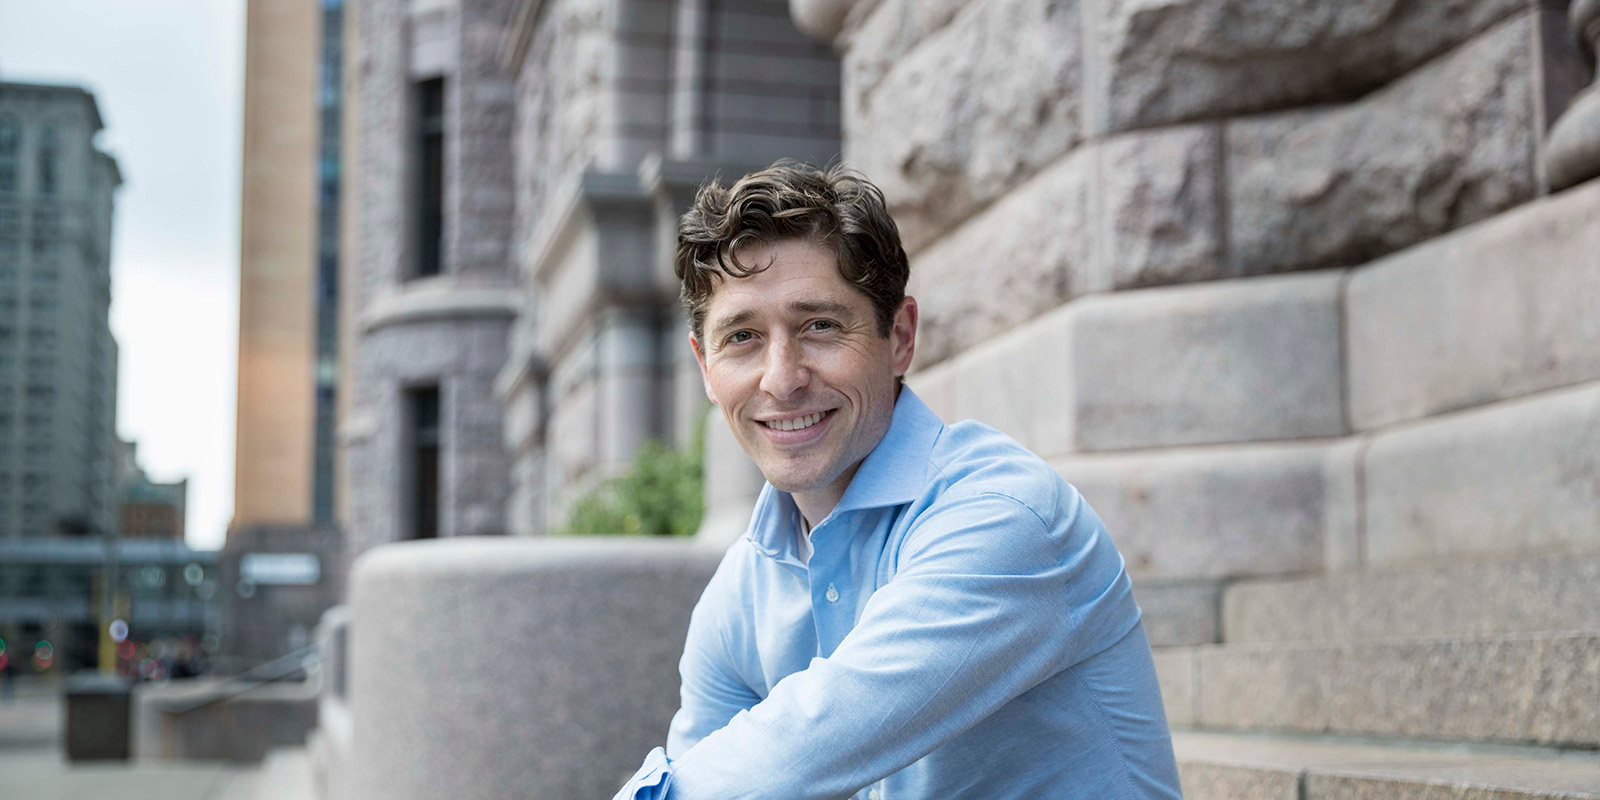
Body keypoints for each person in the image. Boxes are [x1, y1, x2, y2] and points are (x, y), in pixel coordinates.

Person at [614, 162, 1183, 799]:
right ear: (705, 368)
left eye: (820, 326)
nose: (781, 378)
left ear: (901, 337)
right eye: (742, 338)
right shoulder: (738, 597)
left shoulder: (1003, 517)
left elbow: (808, 744)